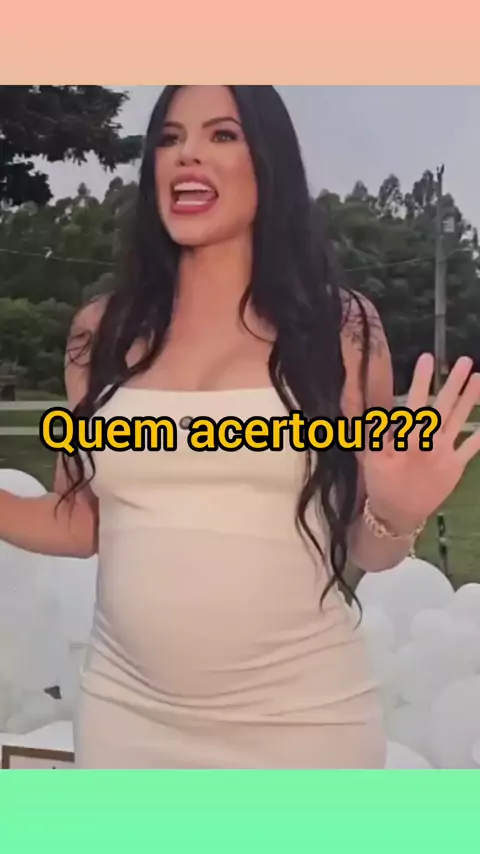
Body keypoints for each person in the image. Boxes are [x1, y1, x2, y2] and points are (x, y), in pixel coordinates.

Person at [1, 85, 479, 769]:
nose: (187, 154)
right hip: (124, 718)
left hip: (305, 722)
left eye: (221, 134)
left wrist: (397, 514)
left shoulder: (341, 328)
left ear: (268, 161)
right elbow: (82, 522)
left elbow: (363, 547)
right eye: (169, 138)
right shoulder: (99, 332)